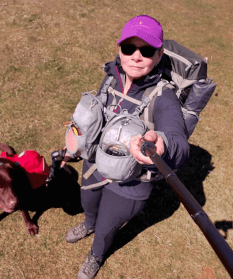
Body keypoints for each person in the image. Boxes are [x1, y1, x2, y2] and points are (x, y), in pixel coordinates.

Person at [61, 15, 190, 279]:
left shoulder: (164, 97)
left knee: (108, 226)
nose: (136, 56)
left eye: (147, 50)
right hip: (95, 164)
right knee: (89, 203)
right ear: (119, 49)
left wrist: (161, 145)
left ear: (159, 55)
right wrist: (75, 143)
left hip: (132, 183)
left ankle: (96, 255)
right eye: (129, 48)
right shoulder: (111, 76)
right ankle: (88, 224)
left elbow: (179, 143)